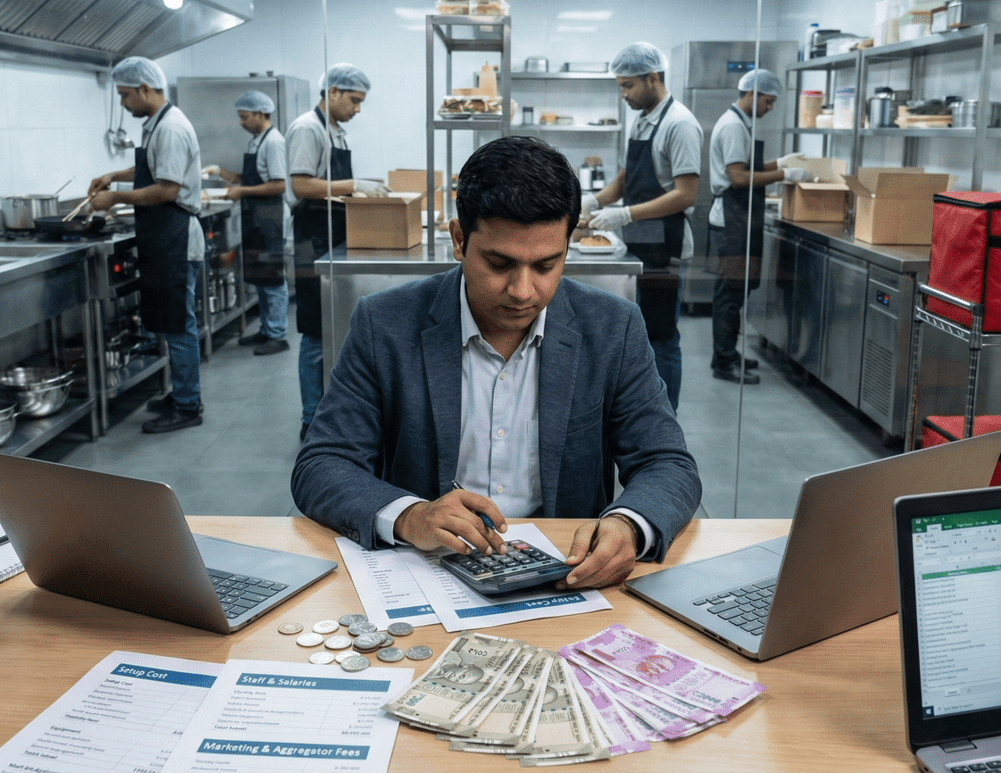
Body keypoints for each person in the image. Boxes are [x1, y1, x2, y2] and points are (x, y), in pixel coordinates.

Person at [291, 136, 701, 589]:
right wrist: (412, 515)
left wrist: (629, 523)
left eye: (547, 265)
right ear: (459, 239)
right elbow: (322, 463)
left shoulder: (611, 328)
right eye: (500, 263)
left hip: (564, 574)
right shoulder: (385, 323)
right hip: (431, 569)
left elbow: (667, 462)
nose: (523, 291)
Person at [87, 56, 206, 433]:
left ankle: (188, 406)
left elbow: (167, 189)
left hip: (174, 234)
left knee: (178, 324)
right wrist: (114, 175)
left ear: (144, 89)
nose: (123, 104)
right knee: (172, 323)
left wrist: (115, 199)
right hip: (163, 236)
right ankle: (181, 393)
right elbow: (152, 169)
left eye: (124, 96)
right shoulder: (157, 125)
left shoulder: (170, 127)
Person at [584, 42, 704, 412]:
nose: (623, 95)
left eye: (628, 86)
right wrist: (594, 201)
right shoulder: (643, 118)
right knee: (639, 332)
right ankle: (640, 407)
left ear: (653, 78)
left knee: (662, 334)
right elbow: (626, 174)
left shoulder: (679, 124)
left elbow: (686, 194)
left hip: (663, 243)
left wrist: (625, 214)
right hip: (640, 240)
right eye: (620, 86)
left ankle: (665, 416)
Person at [287, 63, 388, 441]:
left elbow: (329, 185)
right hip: (311, 237)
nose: (357, 109)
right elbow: (301, 185)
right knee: (315, 329)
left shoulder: (336, 132)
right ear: (332, 92)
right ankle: (311, 418)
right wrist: (354, 183)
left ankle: (332, 410)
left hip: (331, 234)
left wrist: (359, 191)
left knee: (334, 326)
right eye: (354, 100)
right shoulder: (308, 128)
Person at [707, 68, 809, 384]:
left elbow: (747, 168)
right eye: (768, 101)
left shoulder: (739, 123)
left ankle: (727, 353)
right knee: (729, 295)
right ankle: (724, 362)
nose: (769, 108)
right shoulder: (734, 127)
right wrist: (785, 176)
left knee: (735, 293)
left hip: (739, 219)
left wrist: (781, 163)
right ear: (753, 94)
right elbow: (738, 177)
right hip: (732, 221)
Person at [206, 90, 290, 356]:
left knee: (272, 278)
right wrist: (221, 173)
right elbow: (253, 177)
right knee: (261, 278)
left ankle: (278, 335)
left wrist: (241, 192)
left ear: (260, 114)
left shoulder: (273, 142)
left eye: (244, 117)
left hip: (270, 218)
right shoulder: (257, 141)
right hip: (256, 218)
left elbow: (278, 184)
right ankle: (267, 330)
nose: (240, 122)